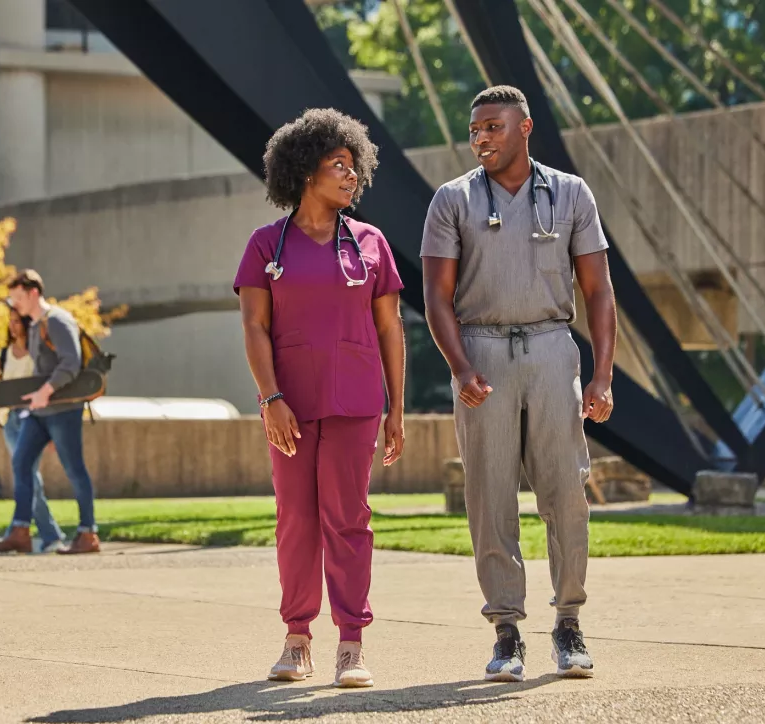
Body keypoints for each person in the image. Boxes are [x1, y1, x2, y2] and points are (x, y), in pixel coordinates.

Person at [420, 85, 616, 682]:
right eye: (474, 129)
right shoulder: (451, 201)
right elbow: (436, 295)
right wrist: (460, 368)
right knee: (490, 497)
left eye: (493, 127)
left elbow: (599, 291)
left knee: (567, 494)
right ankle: (507, 632)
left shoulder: (572, 193)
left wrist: (602, 375)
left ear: (525, 127)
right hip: (482, 354)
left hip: (554, 351)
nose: (480, 137)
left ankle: (568, 624)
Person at [234, 108, 406, 689]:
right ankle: (297, 638)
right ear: (306, 170)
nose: (351, 177)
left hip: (356, 403)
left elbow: (390, 329)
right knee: (296, 521)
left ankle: (352, 645)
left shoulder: (371, 242)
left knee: (348, 520)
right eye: (339, 165)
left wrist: (396, 409)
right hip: (289, 405)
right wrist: (270, 397)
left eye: (355, 167)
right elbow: (255, 328)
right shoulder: (265, 245)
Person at [0, 270, 100, 555]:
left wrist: (44, 392)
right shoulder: (35, 326)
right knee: (21, 463)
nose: (15, 304)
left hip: (62, 410)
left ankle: (88, 534)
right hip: (38, 411)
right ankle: (20, 531)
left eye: (19, 297)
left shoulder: (57, 320)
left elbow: (70, 363)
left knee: (74, 469)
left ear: (34, 293)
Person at [0, 305, 67, 554]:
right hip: (10, 419)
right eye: (10, 321)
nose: (13, 325)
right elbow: (5, 387)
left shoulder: (37, 352)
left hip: (32, 418)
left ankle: (32, 533)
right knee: (27, 475)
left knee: (27, 475)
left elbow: (44, 384)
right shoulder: (5, 354)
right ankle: (44, 535)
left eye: (17, 321)